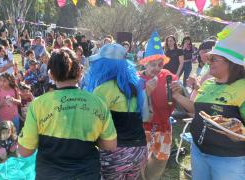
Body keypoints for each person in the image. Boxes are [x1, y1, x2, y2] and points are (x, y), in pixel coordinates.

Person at [18, 48, 117, 179]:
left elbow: (25, 151)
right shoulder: (98, 102)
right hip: (87, 174)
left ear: (51, 75)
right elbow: (110, 145)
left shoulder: (39, 104)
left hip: (49, 175)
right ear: (80, 73)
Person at [171, 22, 245, 180]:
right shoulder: (209, 83)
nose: (207, 61)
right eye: (208, 58)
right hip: (199, 150)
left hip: (228, 159)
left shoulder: (243, 88)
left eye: (213, 59)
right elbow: (197, 110)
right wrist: (178, 96)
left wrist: (238, 135)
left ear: (231, 63)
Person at [86, 43, 147, 179]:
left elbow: (92, 124)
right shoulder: (136, 85)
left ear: (104, 64)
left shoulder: (104, 89)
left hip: (114, 152)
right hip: (139, 150)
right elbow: (146, 116)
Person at [138, 31, 177, 180]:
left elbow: (177, 97)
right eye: (152, 64)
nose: (156, 68)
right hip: (144, 131)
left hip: (164, 129)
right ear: (145, 63)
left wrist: (180, 88)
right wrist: (146, 91)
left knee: (159, 164)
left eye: (160, 64)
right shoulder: (138, 80)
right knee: (140, 165)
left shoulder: (168, 77)